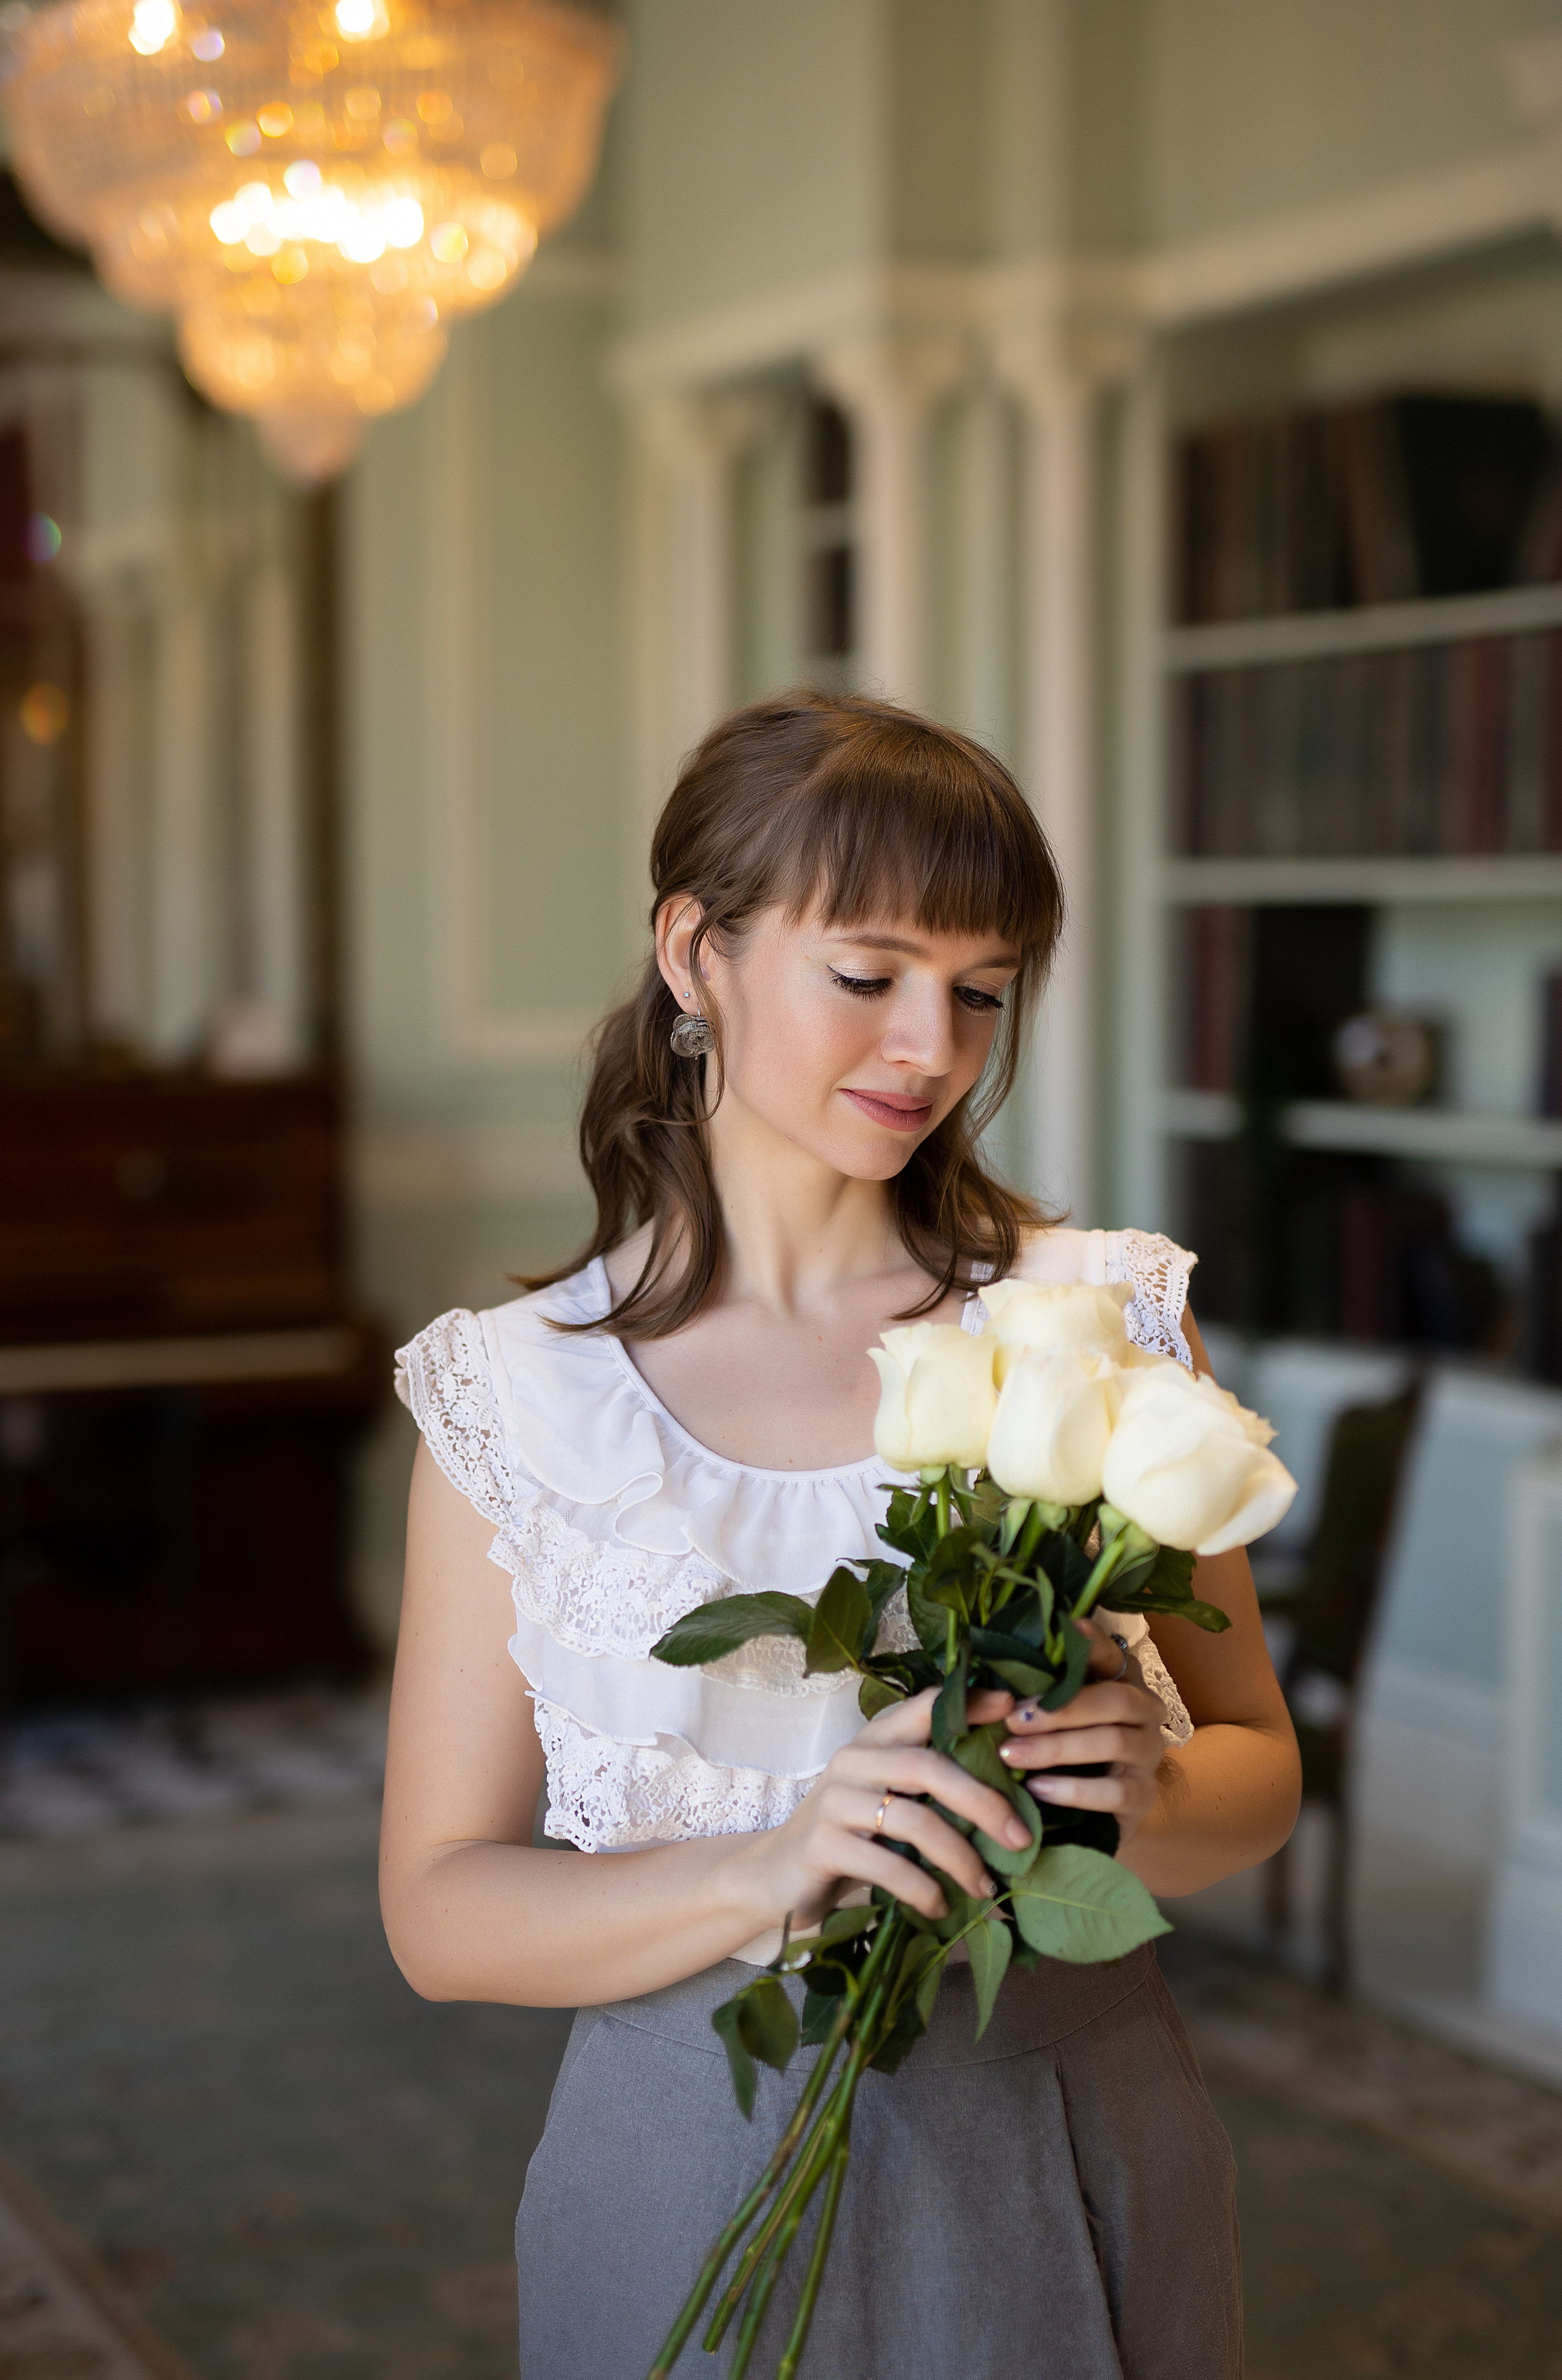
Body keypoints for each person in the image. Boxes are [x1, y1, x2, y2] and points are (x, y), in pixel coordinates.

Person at [380, 692, 1300, 2379]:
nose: (930, 1047)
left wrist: (1143, 1801)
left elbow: (1260, 1771)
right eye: (868, 975)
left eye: (981, 990)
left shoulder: (1097, 1331)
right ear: (694, 951)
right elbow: (440, 1912)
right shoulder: (513, 1402)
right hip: (680, 2164)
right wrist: (766, 1865)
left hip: (1070, 2134)